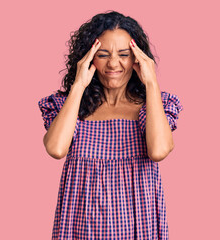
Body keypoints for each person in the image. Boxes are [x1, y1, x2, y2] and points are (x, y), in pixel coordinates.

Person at [38, 10, 183, 239]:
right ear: (89, 57)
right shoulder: (71, 108)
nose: (113, 63)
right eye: (103, 54)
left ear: (137, 58)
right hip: (80, 226)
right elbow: (56, 149)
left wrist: (151, 83)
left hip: (138, 224)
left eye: (124, 54)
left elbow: (158, 151)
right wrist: (78, 85)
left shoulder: (153, 106)